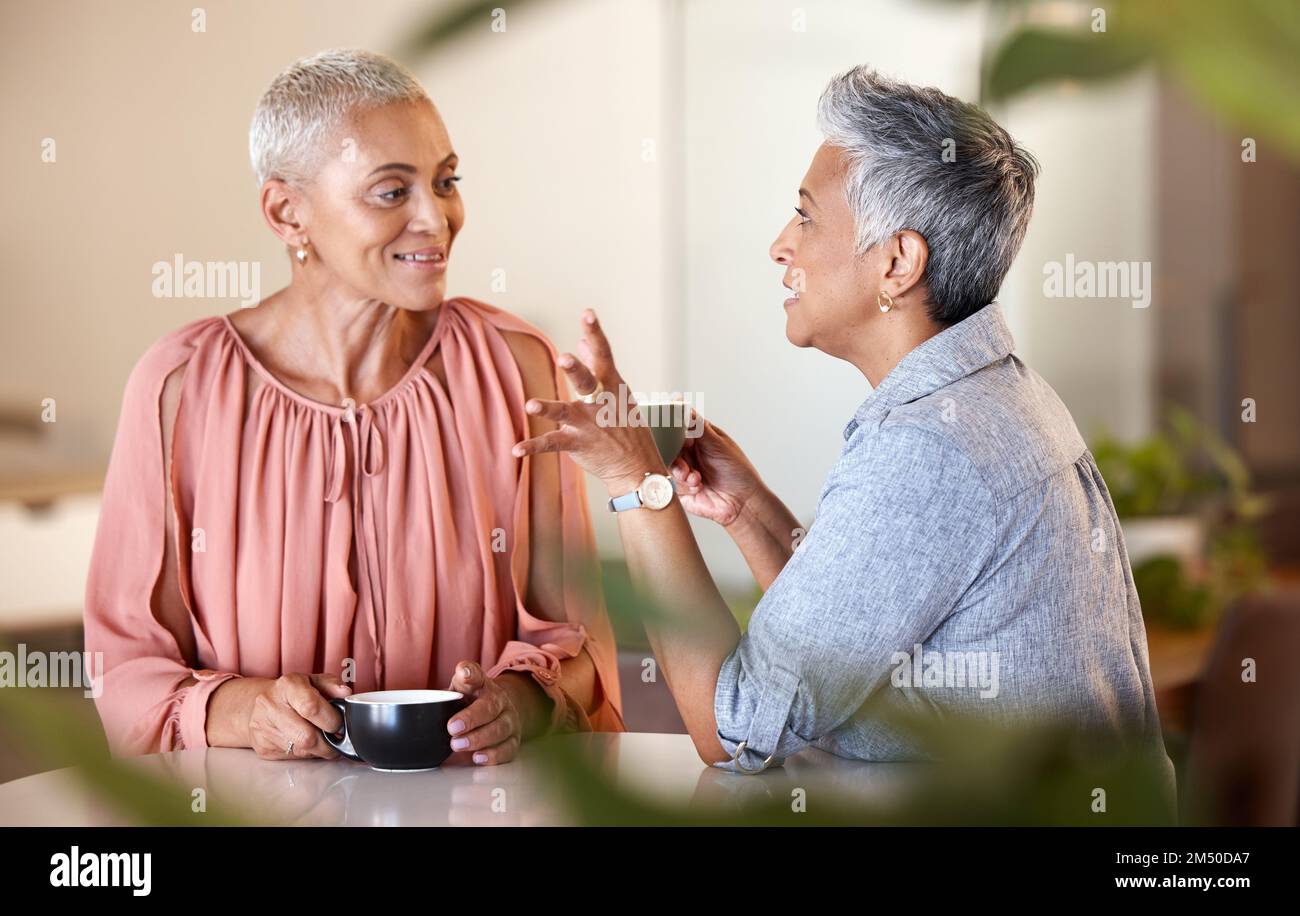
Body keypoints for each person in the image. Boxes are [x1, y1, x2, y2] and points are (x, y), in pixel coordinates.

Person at [513, 67, 1174, 790]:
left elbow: (732, 726)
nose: (779, 246)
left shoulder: (931, 444)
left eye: (805, 217)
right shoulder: (994, 395)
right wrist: (746, 510)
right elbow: (849, 655)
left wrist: (635, 484)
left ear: (896, 263)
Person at [84, 49, 623, 763]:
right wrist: (247, 710)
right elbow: (127, 672)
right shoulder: (180, 388)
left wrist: (521, 701)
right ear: (287, 213)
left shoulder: (514, 365)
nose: (439, 219)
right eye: (391, 192)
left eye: (446, 181)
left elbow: (579, 643)